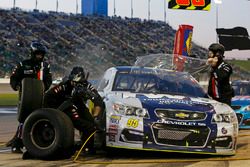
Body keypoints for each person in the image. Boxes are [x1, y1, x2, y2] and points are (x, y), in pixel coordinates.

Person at [43, 66, 104, 154]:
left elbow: (98, 101)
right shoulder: (64, 85)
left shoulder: (87, 86)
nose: (74, 84)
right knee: (83, 123)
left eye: (78, 83)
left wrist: (95, 116)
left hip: (79, 105)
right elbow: (48, 96)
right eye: (73, 82)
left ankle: (88, 147)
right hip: (64, 106)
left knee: (91, 122)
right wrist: (51, 113)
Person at [7, 41, 52, 153]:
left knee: (39, 119)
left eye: (41, 54)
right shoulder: (23, 64)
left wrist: (43, 88)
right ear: (32, 53)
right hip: (26, 98)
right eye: (37, 54)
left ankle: (35, 142)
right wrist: (18, 87)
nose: (40, 56)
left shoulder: (45, 66)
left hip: (41, 97)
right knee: (24, 120)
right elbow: (14, 78)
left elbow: (48, 80)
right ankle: (16, 144)